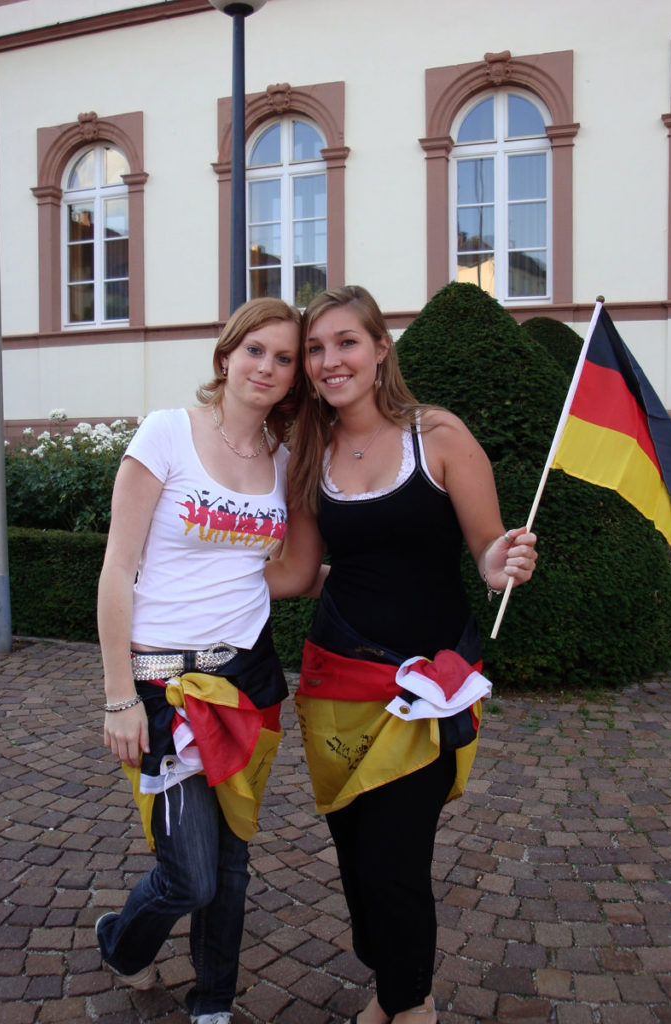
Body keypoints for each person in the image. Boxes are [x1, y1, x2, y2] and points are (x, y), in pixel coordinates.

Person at [265, 285, 538, 1024]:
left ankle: (410, 1006)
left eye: (345, 342)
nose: (328, 361)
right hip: (335, 683)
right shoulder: (310, 452)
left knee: (394, 859)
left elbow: (486, 550)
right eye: (315, 349)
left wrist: (503, 560)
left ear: (381, 347)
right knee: (357, 859)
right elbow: (295, 573)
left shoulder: (439, 436)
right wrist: (192, 571)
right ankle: (391, 986)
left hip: (427, 691)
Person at [95, 297, 302, 1024]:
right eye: (256, 351)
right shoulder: (167, 434)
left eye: (283, 358)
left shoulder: (282, 460)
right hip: (162, 685)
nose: (267, 367)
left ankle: (212, 1002)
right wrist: (119, 693)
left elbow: (270, 573)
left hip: (246, 679)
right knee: (189, 876)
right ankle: (122, 943)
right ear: (226, 355)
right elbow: (118, 568)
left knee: (234, 861)